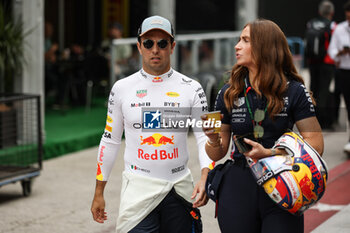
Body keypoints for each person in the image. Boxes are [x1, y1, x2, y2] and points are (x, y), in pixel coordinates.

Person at [91, 15, 212, 233]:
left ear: (172, 46)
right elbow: (109, 140)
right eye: (148, 43)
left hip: (180, 189)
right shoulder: (121, 88)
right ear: (139, 47)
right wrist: (99, 192)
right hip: (138, 188)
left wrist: (205, 177)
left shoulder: (193, 88)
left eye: (162, 43)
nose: (155, 49)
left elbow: (206, 136)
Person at [202, 19, 323, 233]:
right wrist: (212, 138)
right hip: (238, 185)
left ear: (264, 47)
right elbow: (216, 154)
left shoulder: (294, 90)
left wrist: (270, 153)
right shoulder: (228, 91)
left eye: (245, 40)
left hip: (282, 182)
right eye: (239, 39)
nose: (237, 46)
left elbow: (316, 144)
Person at [305, 0, 336, 129]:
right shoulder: (333, 25)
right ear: (332, 13)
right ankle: (324, 121)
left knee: (313, 89)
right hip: (327, 63)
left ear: (319, 11)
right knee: (324, 90)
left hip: (313, 62)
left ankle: (312, 117)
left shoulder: (311, 23)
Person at [328, 0, 350, 155]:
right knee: (348, 105)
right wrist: (339, 53)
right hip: (344, 71)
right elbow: (331, 49)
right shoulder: (340, 29)